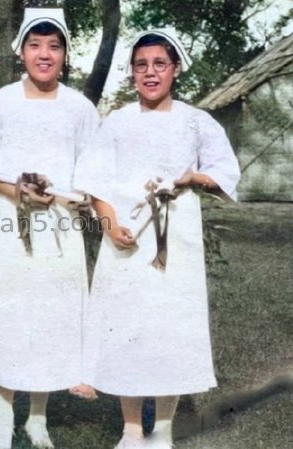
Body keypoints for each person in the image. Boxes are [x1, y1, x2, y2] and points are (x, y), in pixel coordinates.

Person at [73, 28, 241, 449]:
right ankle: (131, 428)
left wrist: (193, 177)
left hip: (175, 237)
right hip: (127, 238)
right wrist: (110, 224)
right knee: (127, 325)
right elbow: (95, 181)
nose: (150, 73)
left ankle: (162, 428)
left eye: (159, 64)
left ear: (175, 69)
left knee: (170, 327)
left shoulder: (195, 121)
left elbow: (225, 172)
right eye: (141, 65)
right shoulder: (116, 122)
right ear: (132, 73)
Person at [0, 8, 101, 449]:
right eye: (35, 45)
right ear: (21, 51)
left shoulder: (80, 108)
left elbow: (91, 172)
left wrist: (66, 197)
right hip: (8, 223)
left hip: (59, 227)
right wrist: (17, 191)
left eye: (54, 46)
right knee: (8, 312)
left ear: (65, 54)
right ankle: (3, 413)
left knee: (51, 316)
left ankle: (37, 416)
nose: (44, 54)